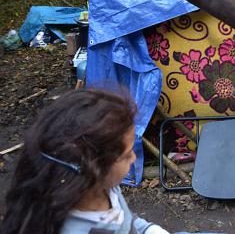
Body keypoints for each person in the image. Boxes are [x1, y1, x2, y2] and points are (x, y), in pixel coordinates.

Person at [0, 89, 202, 234]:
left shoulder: (104, 186)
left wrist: (149, 229)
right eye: (126, 154)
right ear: (92, 166)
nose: (134, 158)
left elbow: (126, 221)